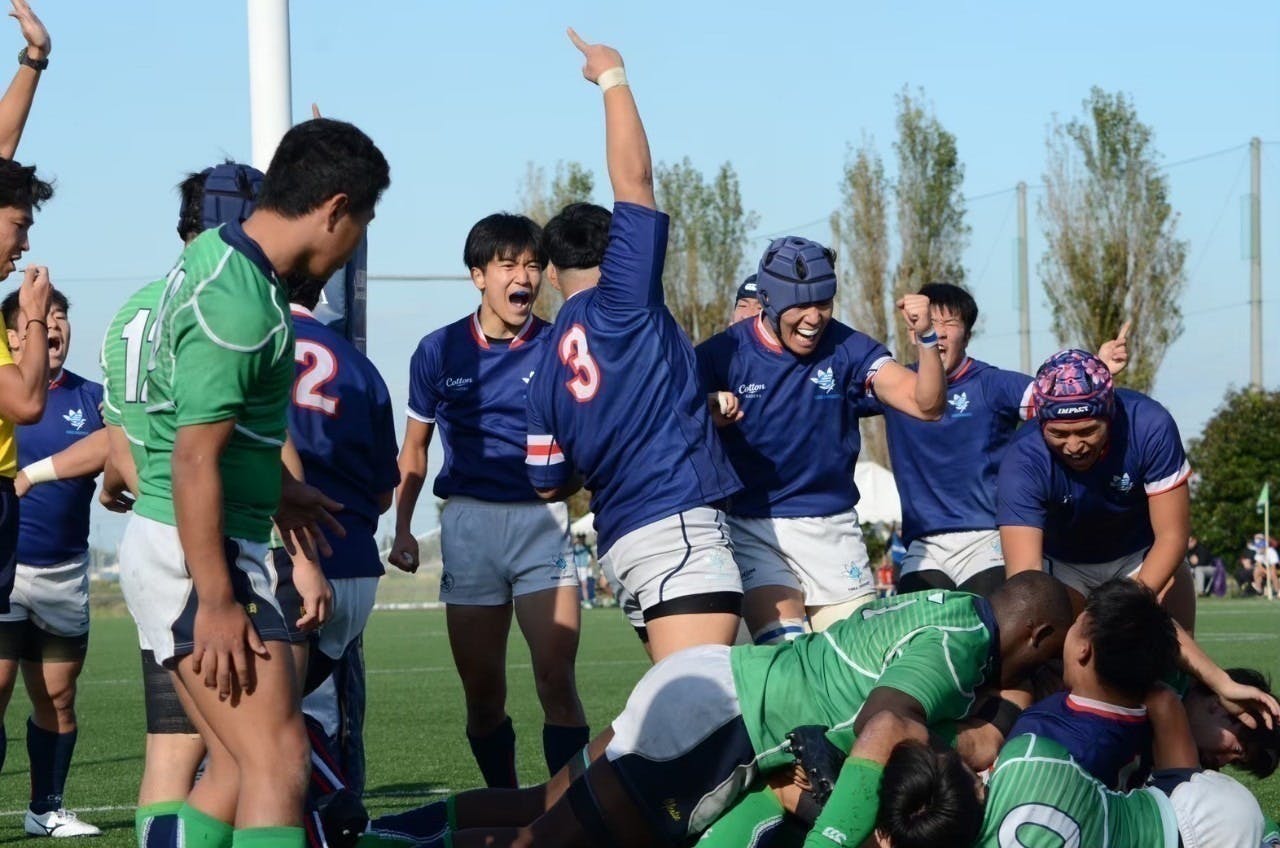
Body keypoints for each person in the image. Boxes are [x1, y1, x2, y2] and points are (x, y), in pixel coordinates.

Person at [117, 119, 389, 848]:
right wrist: (215, 599)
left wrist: (277, 487)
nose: (353, 244)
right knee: (279, 759)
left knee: (240, 769)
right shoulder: (238, 302)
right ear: (334, 209)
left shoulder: (217, 259)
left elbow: (215, 434)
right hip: (193, 554)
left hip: (184, 540)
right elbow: (194, 458)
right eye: (360, 224)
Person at [395, 570, 1072, 848]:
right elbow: (886, 723)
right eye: (1047, 657)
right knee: (546, 843)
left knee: (538, 804)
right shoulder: (962, 644)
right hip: (722, 729)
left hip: (710, 682)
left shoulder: (944, 605)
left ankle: (372, 834)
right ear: (1037, 635)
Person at [523, 32, 743, 661]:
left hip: (623, 539)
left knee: (680, 724)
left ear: (550, 268)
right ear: (617, 249)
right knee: (704, 726)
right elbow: (637, 181)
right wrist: (613, 78)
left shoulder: (542, 366)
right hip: (676, 525)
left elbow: (544, 482)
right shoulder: (623, 299)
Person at [391, 212, 586, 787]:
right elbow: (415, 451)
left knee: (556, 680)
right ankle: (505, 805)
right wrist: (402, 528)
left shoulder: (561, 346)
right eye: (508, 265)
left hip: (541, 525)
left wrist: (578, 482)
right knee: (483, 695)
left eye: (532, 265)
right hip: (470, 527)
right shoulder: (438, 351)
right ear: (479, 275)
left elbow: (592, 434)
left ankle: (569, 815)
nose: (522, 277)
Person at [696, 237, 944, 643]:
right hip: (756, 528)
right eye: (801, 305)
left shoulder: (849, 347)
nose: (814, 317)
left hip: (834, 531)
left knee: (855, 665)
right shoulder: (724, 352)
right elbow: (672, 419)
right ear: (770, 301)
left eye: (824, 303)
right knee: (788, 652)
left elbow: (926, 405)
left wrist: (927, 339)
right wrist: (707, 409)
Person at [857, 284, 1127, 598]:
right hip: (923, 544)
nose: (939, 333)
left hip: (988, 538)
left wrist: (1099, 368)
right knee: (920, 632)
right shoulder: (898, 387)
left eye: (950, 324)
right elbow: (830, 402)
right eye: (931, 323)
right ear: (913, 331)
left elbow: (1059, 401)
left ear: (967, 336)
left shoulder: (991, 384)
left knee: (990, 628)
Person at [0, 287, 103, 836]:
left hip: (65, 574)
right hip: (6, 569)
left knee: (58, 696)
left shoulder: (93, 398)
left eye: (62, 319)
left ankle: (46, 808)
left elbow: (123, 448)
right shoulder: (6, 393)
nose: (54, 328)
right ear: (17, 335)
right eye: (43, 320)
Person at [998, 348, 1195, 630]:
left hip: (1140, 556)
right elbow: (1026, 576)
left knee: (1166, 655)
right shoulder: (1023, 457)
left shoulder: (1150, 425)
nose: (1075, 446)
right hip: (1064, 566)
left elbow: (1172, 536)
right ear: (1041, 424)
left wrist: (1127, 606)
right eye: (1059, 434)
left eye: (1088, 431)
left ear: (1110, 416)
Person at [571, 534, 594, 608]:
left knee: (584, 585)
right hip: (576, 567)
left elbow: (592, 556)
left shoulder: (587, 547)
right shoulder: (575, 547)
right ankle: (576, 601)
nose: (582, 539)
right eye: (580, 538)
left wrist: (590, 563)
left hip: (584, 567)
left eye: (583, 538)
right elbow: (569, 550)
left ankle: (586, 601)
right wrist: (575, 542)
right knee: (576, 585)